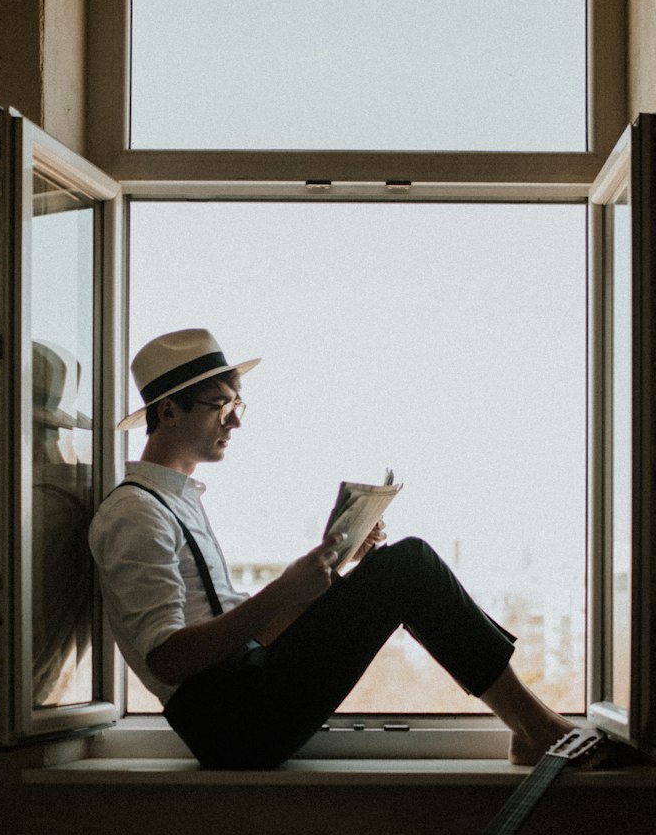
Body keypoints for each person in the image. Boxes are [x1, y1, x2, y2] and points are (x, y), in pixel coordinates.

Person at [89, 328, 574, 771]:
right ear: (169, 412)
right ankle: (536, 729)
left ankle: (535, 725)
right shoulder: (135, 514)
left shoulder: (179, 502)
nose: (235, 421)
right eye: (219, 404)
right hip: (228, 723)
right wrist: (284, 589)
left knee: (394, 567)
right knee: (410, 564)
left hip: (242, 698)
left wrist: (335, 575)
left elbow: (250, 633)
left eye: (238, 404)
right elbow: (168, 661)